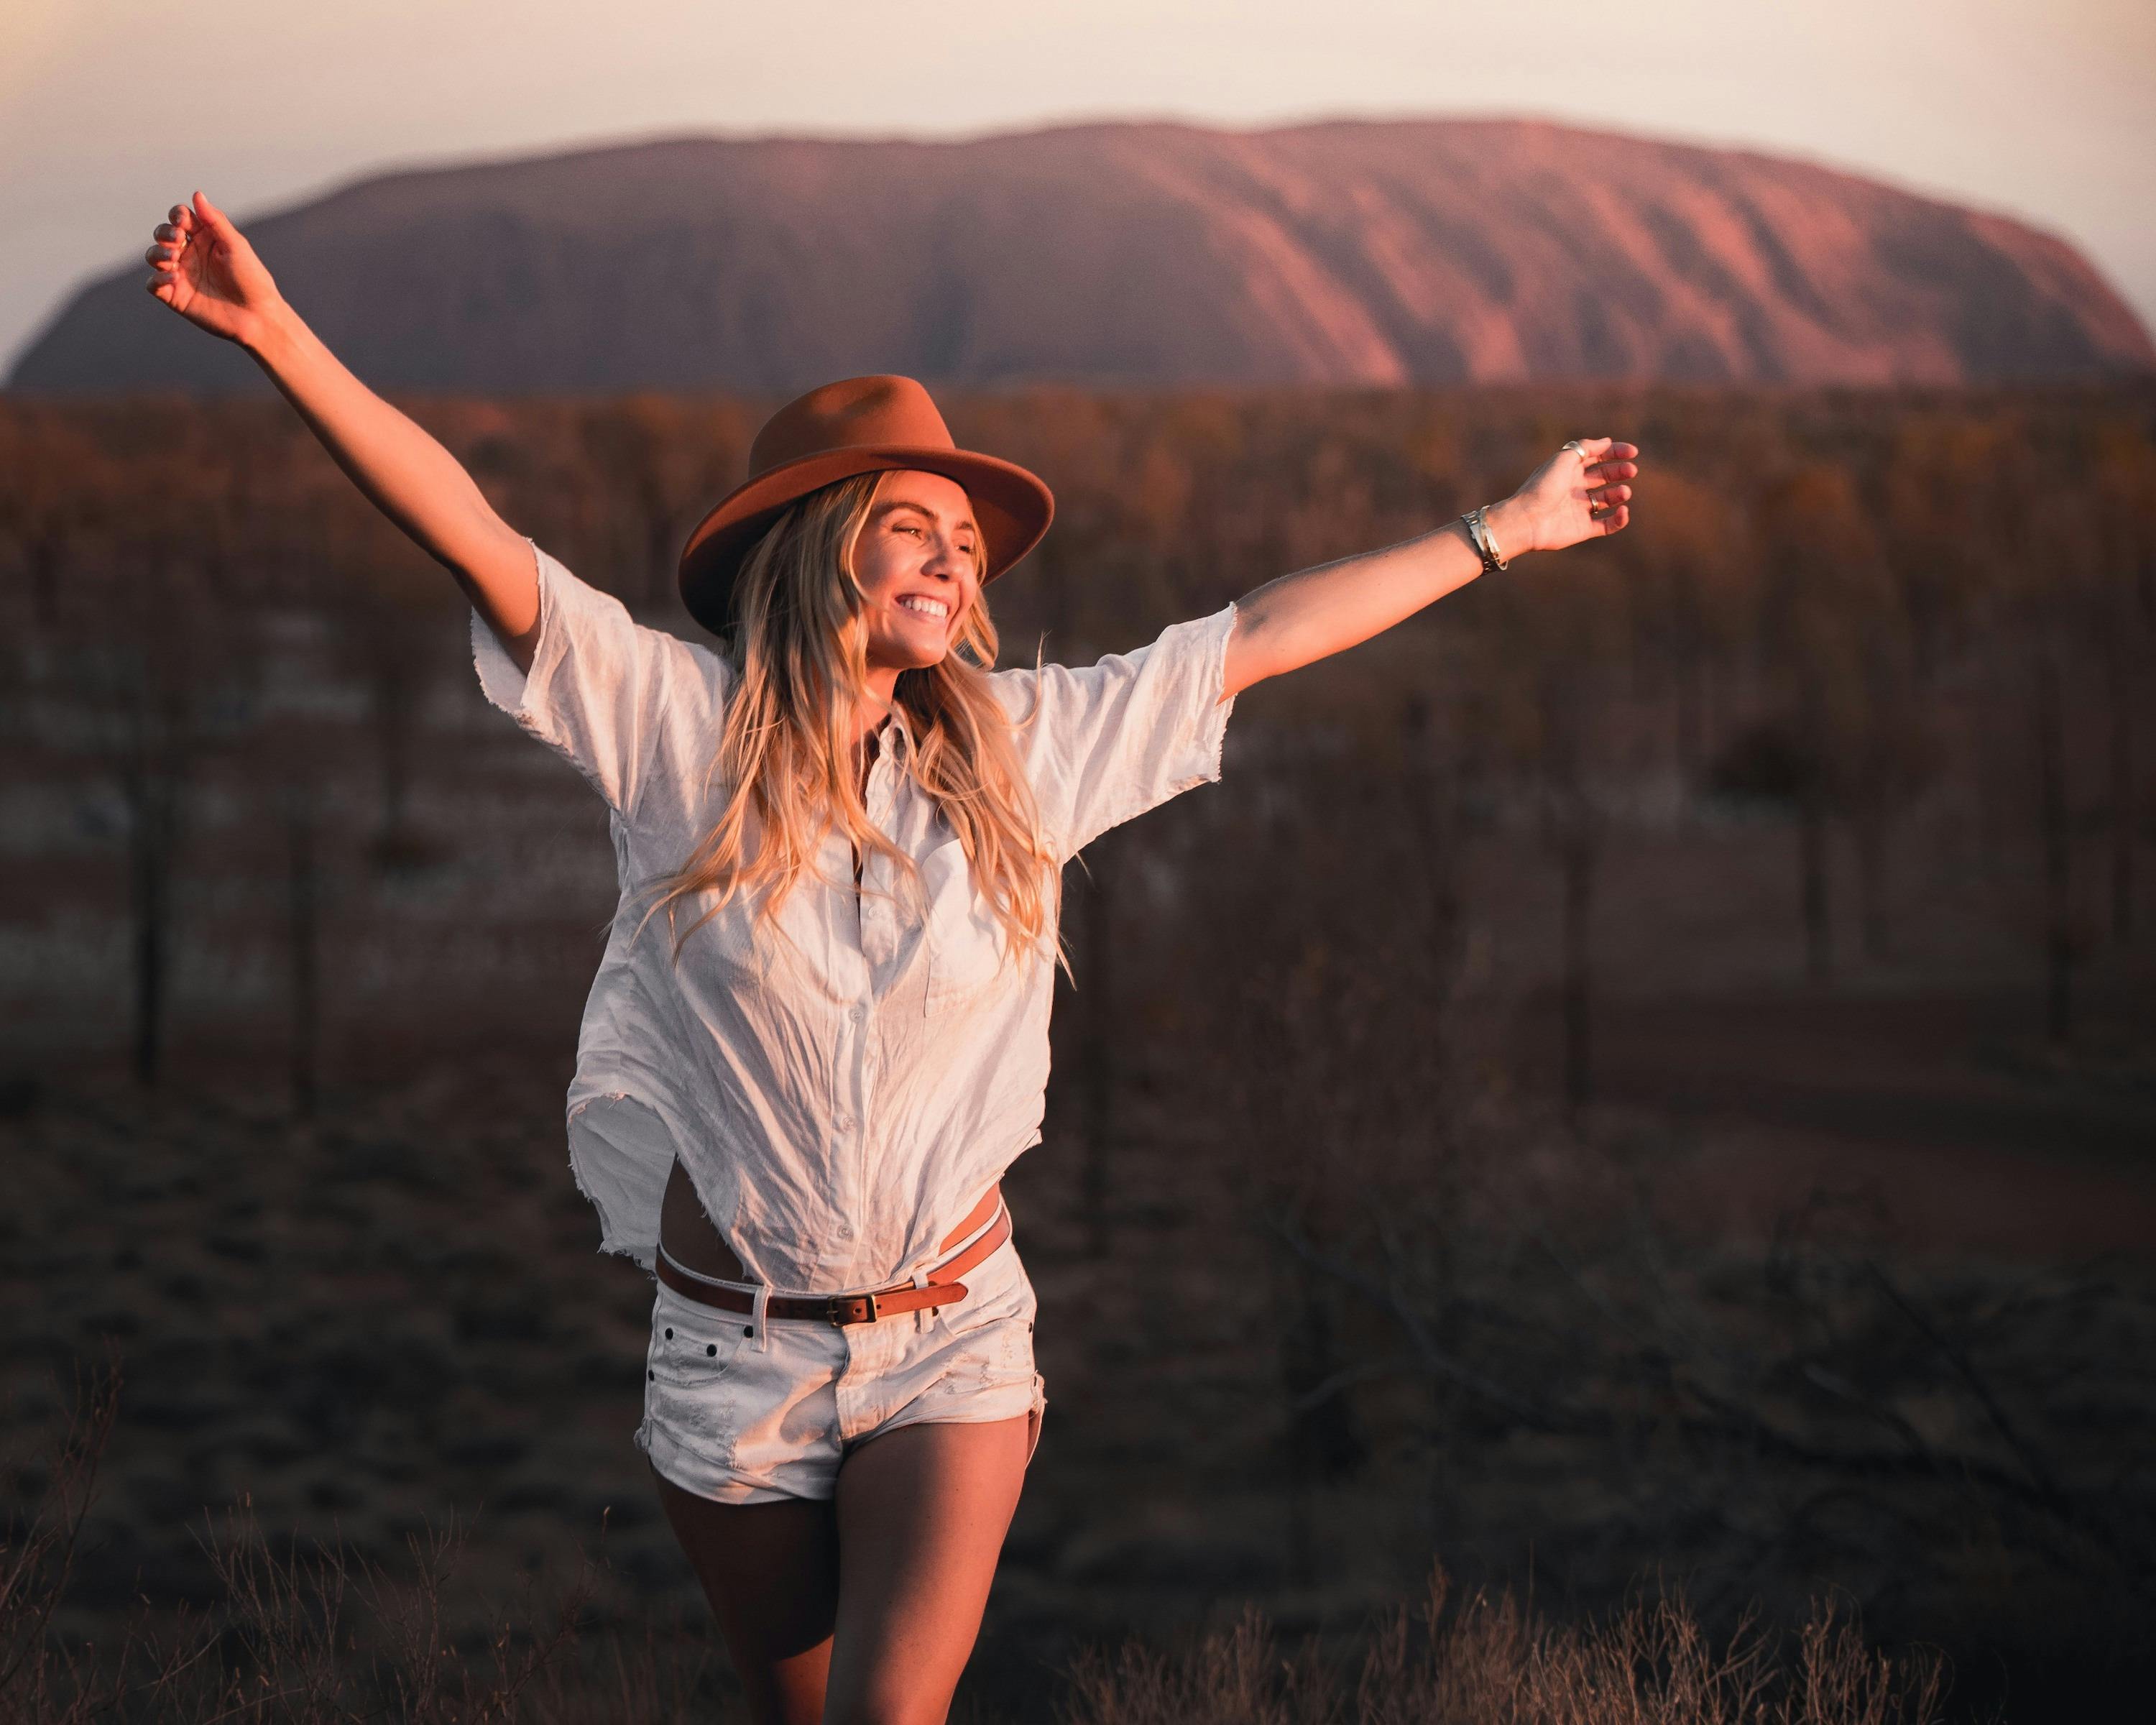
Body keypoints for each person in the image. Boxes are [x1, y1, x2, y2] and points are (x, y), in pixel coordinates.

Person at [144, 188, 1637, 1725]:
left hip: (953, 1343)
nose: (951, 564)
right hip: (733, 1368)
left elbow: (1254, 634)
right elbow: (467, 528)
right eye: (908, 529)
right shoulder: (671, 734)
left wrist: (1505, 530)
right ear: (814, 547)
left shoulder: (1025, 756)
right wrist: (276, 335)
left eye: (968, 546)